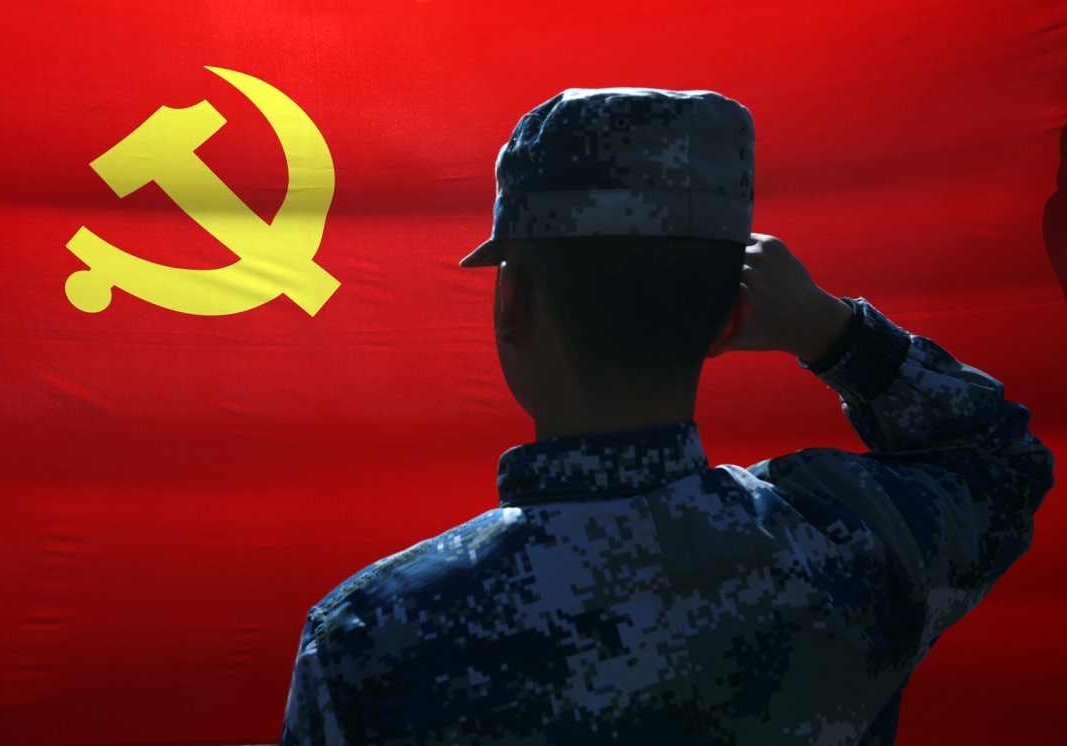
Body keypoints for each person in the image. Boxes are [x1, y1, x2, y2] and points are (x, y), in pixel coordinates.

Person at [281, 89, 1054, 745]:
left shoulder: (374, 635)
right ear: (733, 317)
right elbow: (999, 458)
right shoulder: (852, 544)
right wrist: (833, 331)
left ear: (510, 302)